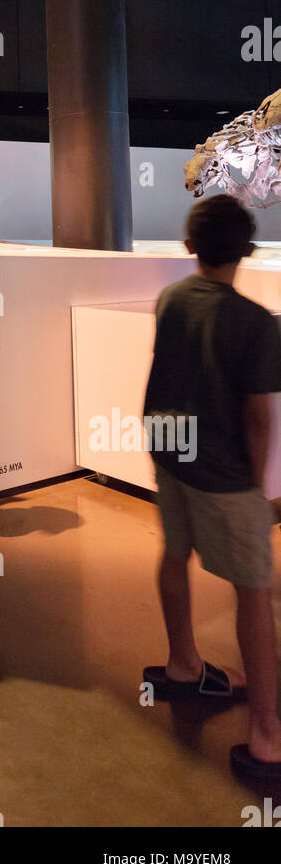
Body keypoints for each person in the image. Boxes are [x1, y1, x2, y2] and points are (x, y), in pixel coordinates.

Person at [142, 194, 281, 781]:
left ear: (190, 245)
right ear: (247, 250)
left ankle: (182, 663)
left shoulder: (170, 298)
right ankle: (270, 738)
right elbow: (258, 415)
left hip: (171, 453)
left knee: (174, 554)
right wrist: (254, 485)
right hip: (223, 473)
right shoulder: (257, 323)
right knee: (254, 593)